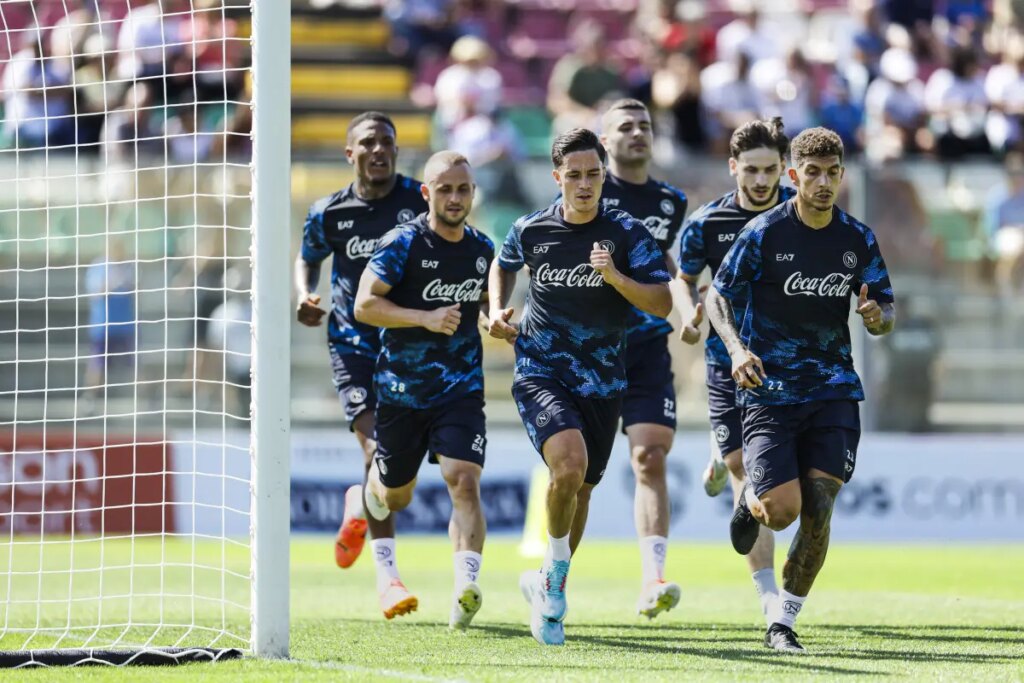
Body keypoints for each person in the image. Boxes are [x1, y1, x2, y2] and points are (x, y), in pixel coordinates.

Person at [706, 127, 896, 653]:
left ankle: (783, 622)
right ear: (794, 175)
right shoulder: (764, 233)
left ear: (842, 176)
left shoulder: (857, 239)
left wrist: (878, 319)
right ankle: (751, 499)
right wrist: (738, 350)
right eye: (811, 172)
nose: (822, 182)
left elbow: (885, 310)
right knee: (783, 510)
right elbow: (719, 297)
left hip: (834, 389)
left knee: (819, 505)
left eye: (832, 173)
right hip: (770, 394)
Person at [488, 128, 672, 646]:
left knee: (582, 489)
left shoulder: (627, 232)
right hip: (541, 370)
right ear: (557, 178)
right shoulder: (531, 228)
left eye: (594, 174)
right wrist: (496, 310)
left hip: (604, 381)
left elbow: (660, 302)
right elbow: (501, 267)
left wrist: (615, 277)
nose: (585, 184)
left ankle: (550, 577)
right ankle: (557, 582)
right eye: (574, 175)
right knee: (566, 465)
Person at [295, 112, 428, 619]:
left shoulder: (420, 201)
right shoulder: (329, 212)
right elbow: (308, 256)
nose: (379, 150)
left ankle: (359, 502)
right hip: (352, 346)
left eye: (387, 142)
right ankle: (388, 578)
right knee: (379, 451)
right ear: (350, 153)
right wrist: (305, 292)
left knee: (396, 480)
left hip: (413, 350)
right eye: (368, 143)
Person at [357, 151, 494, 631]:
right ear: (426, 192)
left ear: (473, 193)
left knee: (463, 478)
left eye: (463, 189)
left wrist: (495, 321)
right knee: (396, 497)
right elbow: (364, 305)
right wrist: (424, 318)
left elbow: (481, 304)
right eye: (445, 189)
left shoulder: (482, 249)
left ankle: (465, 588)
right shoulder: (402, 243)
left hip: (460, 388)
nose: (455, 198)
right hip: (401, 392)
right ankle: (367, 494)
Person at [676, 117, 795, 627]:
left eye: (771, 169)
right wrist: (687, 313)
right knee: (747, 471)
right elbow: (682, 280)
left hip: (791, 369)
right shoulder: (707, 223)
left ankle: (720, 460)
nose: (762, 180)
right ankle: (769, 599)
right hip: (728, 365)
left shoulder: (801, 219)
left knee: (774, 485)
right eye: (751, 169)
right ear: (733, 168)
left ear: (784, 170)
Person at [596, 99, 688, 619]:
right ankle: (551, 574)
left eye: (644, 126)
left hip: (649, 346)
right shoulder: (587, 188)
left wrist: (686, 309)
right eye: (625, 127)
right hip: (591, 349)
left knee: (650, 457)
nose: (637, 134)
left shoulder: (670, 200)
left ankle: (653, 577)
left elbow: (667, 261)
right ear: (605, 140)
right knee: (577, 472)